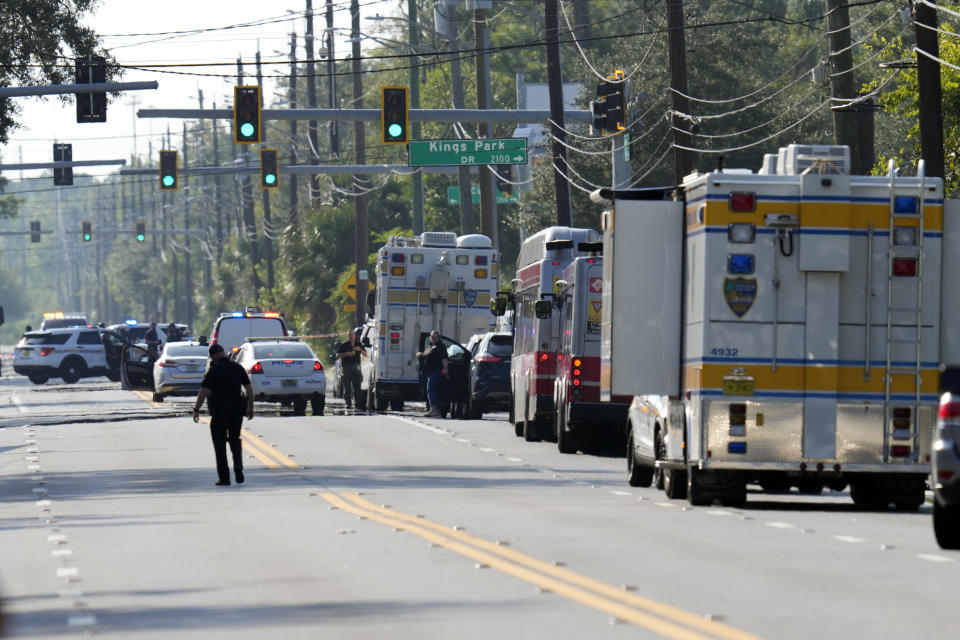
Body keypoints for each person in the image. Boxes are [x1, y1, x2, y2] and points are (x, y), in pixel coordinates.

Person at [192, 343, 254, 486]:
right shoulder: (237, 368)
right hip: (237, 410)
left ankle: (224, 478)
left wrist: (196, 409)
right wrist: (251, 408)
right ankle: (238, 465)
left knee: (219, 445)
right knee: (234, 438)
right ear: (224, 353)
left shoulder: (213, 370)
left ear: (213, 356)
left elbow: (204, 391)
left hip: (219, 411)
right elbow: (249, 389)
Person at [416, 330, 448, 418]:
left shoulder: (440, 346)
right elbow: (426, 354)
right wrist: (421, 354)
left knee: (431, 390)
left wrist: (445, 368)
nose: (433, 337)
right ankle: (434, 409)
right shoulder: (430, 345)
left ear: (438, 337)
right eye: (432, 336)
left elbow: (444, 358)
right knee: (431, 391)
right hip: (429, 372)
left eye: (435, 336)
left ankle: (435, 410)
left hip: (436, 371)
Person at [336, 328, 366, 410]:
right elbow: (337, 355)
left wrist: (359, 349)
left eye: (352, 334)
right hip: (346, 367)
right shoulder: (344, 345)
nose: (351, 336)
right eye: (349, 335)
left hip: (356, 367)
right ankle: (348, 403)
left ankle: (358, 403)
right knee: (347, 386)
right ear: (347, 336)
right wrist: (346, 354)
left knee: (357, 386)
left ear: (354, 335)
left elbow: (366, 354)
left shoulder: (358, 344)